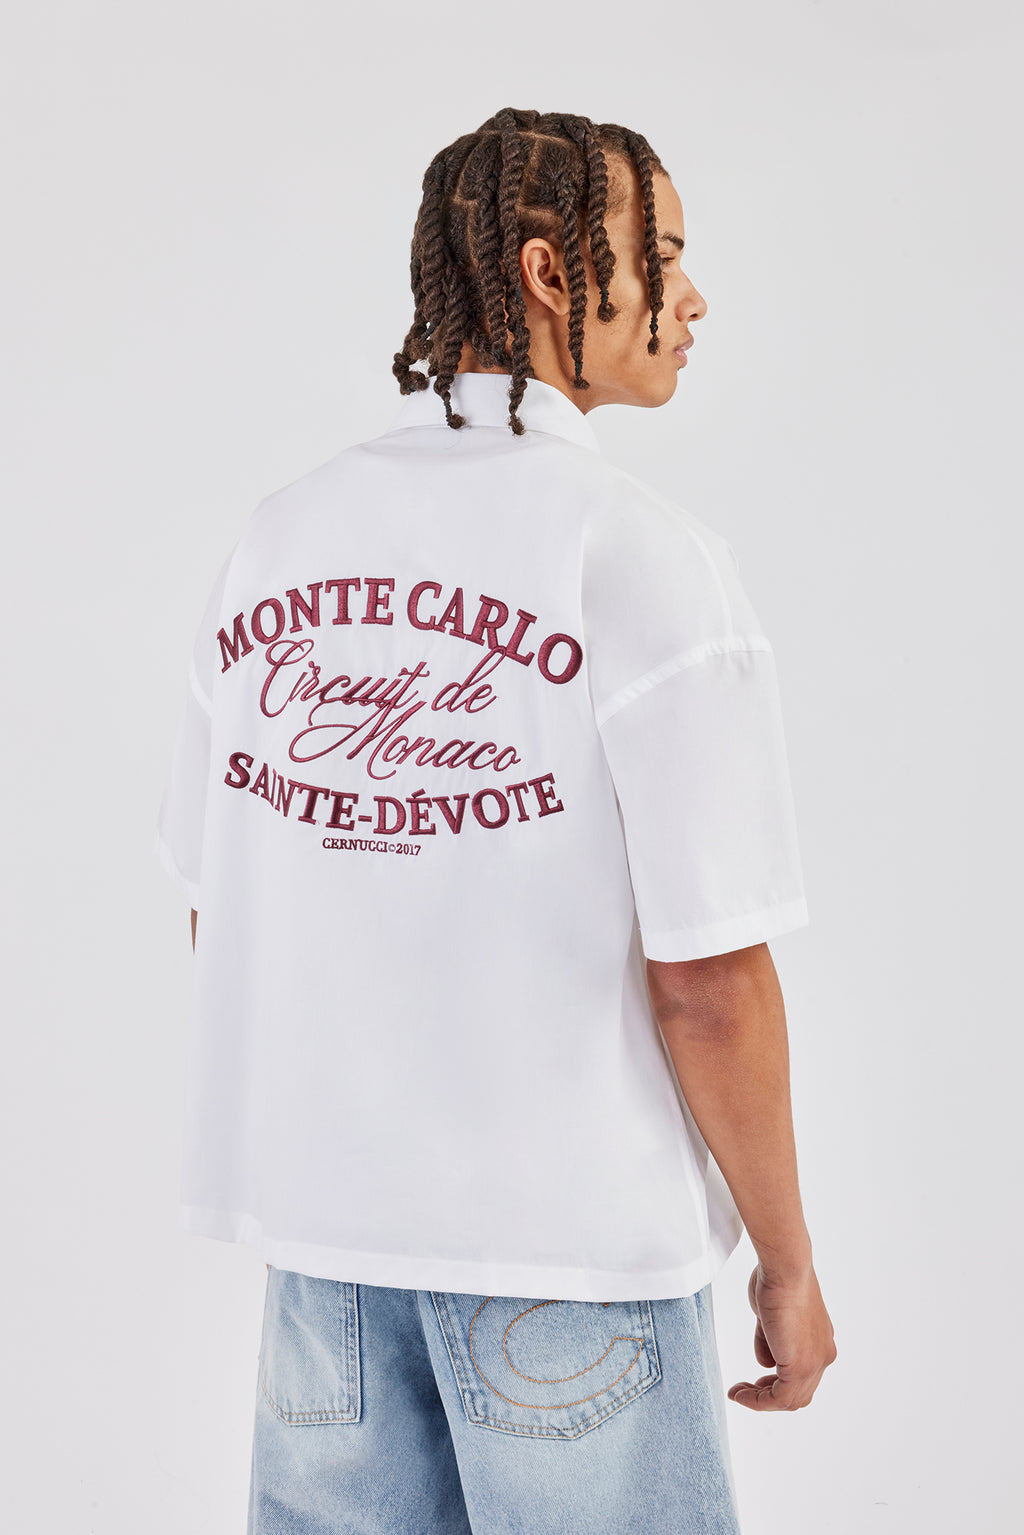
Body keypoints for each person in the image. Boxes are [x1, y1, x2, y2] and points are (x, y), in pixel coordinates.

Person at [155, 107, 836, 1534]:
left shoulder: (277, 541)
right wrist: (786, 1257)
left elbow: (225, 911)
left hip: (328, 1265)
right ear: (549, 272)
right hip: (567, 1262)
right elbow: (709, 977)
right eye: (664, 255)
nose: (693, 299)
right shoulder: (634, 553)